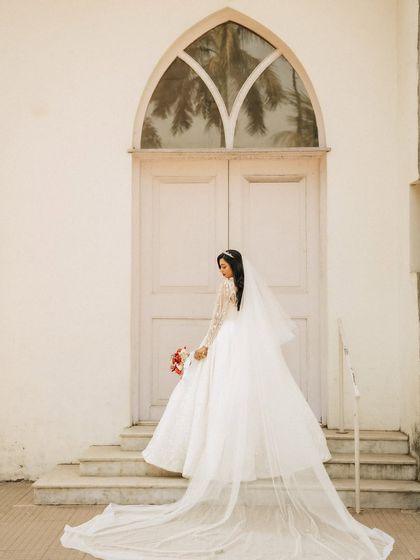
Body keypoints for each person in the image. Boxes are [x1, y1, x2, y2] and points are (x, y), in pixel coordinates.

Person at [61, 250, 395, 559]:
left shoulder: (227, 288)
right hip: (247, 346)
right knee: (242, 398)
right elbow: (254, 323)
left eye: (224, 266)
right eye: (219, 267)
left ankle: (226, 455)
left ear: (233, 267)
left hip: (229, 343)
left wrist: (204, 346)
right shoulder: (248, 289)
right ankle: (242, 454)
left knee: (225, 398)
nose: (221, 271)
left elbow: (217, 320)